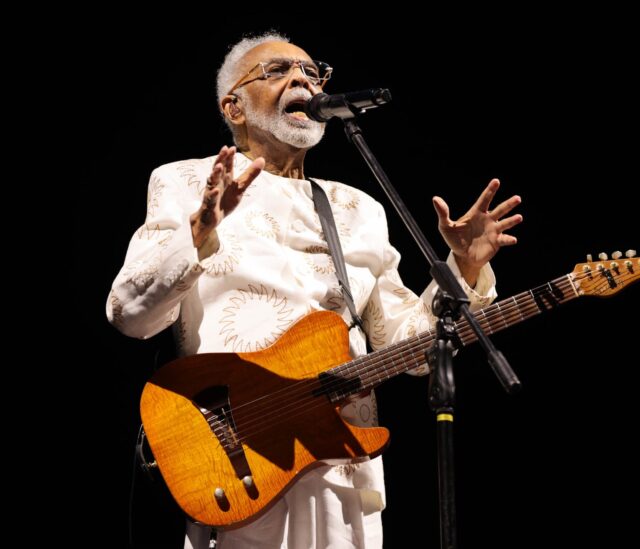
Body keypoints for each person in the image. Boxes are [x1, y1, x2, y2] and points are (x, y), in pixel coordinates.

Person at [107, 32, 523, 549]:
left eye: (312, 72)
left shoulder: (359, 208)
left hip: (342, 476)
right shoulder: (186, 182)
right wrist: (198, 232)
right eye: (277, 70)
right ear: (233, 107)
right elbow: (130, 314)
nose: (303, 80)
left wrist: (465, 267)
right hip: (240, 463)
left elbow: (410, 346)